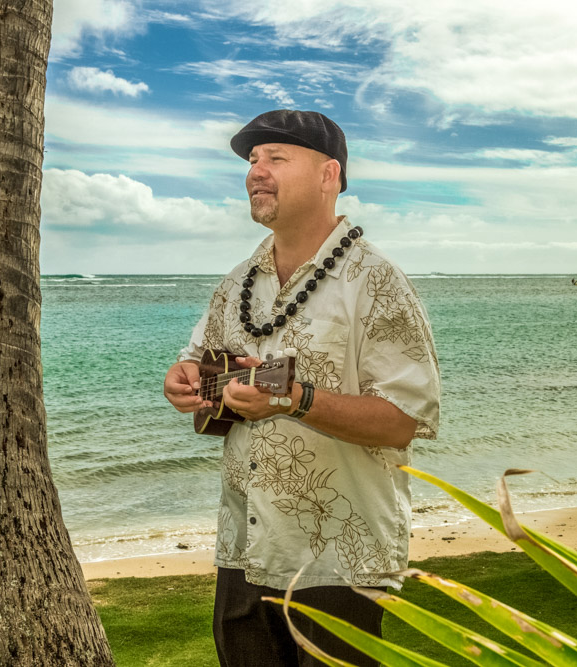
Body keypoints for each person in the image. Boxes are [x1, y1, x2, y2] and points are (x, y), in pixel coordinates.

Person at [162, 109, 440, 666]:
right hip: (243, 549)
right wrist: (186, 382)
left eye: (275, 158)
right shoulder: (238, 282)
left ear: (327, 175)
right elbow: (201, 365)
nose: (255, 171)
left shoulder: (377, 282)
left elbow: (405, 419)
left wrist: (295, 400)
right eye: (251, 160)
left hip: (338, 557)